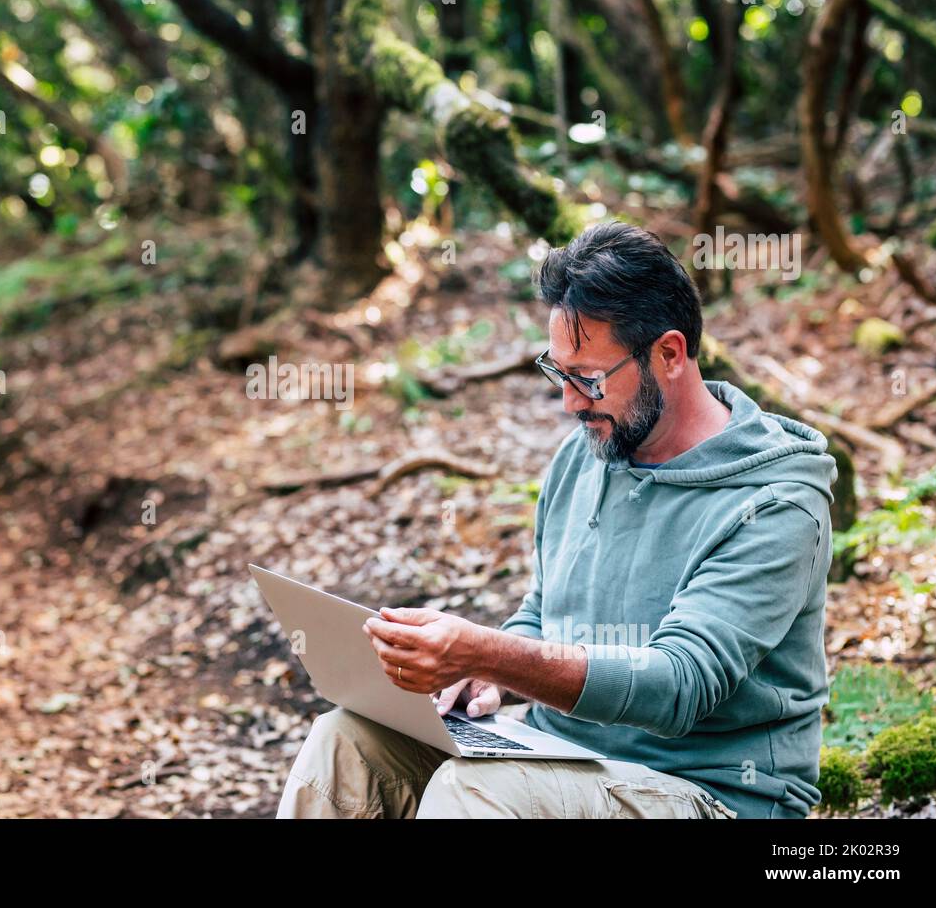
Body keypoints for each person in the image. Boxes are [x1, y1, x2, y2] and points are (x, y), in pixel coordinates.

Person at [276, 221, 835, 819]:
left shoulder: (776, 502)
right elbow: (546, 615)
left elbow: (680, 686)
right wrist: (489, 677)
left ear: (669, 354)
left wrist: (490, 653)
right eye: (559, 372)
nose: (571, 401)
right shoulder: (588, 453)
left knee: (472, 793)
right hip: (564, 755)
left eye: (588, 378)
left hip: (714, 794)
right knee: (346, 742)